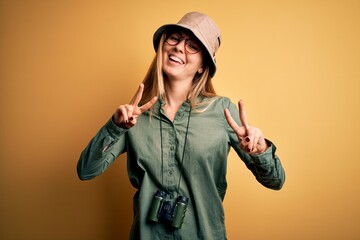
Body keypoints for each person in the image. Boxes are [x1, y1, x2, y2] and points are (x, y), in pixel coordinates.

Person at [77, 11, 285, 240]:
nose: (179, 48)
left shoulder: (221, 112)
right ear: (163, 47)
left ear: (202, 65)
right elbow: (86, 171)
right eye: (174, 38)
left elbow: (275, 181)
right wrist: (114, 127)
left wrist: (260, 149)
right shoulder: (134, 116)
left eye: (192, 45)